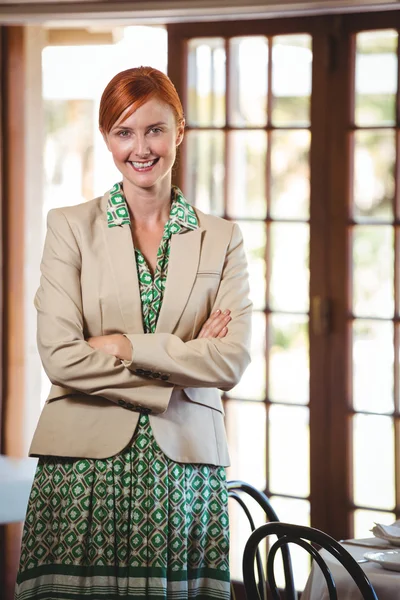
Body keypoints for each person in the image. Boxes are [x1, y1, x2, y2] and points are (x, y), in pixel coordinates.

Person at [15, 66, 252, 600]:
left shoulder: (223, 239)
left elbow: (231, 361)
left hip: (186, 473)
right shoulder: (70, 227)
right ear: (107, 138)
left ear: (179, 132)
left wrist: (124, 347)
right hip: (82, 471)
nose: (140, 148)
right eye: (124, 132)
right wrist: (182, 363)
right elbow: (60, 357)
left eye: (154, 130)